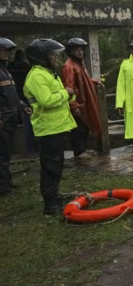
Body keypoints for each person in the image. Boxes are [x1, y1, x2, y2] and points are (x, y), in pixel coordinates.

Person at [23, 38, 77, 214]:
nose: (55, 58)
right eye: (51, 55)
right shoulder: (37, 76)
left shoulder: (48, 73)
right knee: (50, 166)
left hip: (57, 127)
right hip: (48, 129)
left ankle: (54, 195)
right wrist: (65, 92)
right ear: (41, 57)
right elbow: (47, 101)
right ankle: (50, 203)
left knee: (56, 164)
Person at [0, 38, 32, 197]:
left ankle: (6, 181)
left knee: (6, 154)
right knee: (2, 155)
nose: (7, 54)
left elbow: (11, 95)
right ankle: (3, 188)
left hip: (11, 118)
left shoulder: (6, 70)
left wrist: (21, 105)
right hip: (3, 121)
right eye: (4, 51)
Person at [62, 38, 102, 159]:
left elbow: (83, 80)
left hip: (85, 101)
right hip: (78, 102)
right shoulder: (69, 66)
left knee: (85, 126)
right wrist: (73, 105)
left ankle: (83, 149)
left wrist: (94, 81)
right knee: (78, 128)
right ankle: (79, 152)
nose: (79, 52)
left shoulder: (79, 64)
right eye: (76, 50)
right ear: (71, 51)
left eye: (81, 49)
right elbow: (68, 87)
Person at [7, 48, 37, 153]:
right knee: (29, 121)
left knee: (17, 122)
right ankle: (32, 148)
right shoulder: (28, 67)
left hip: (15, 95)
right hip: (26, 97)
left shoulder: (10, 67)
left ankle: (24, 149)